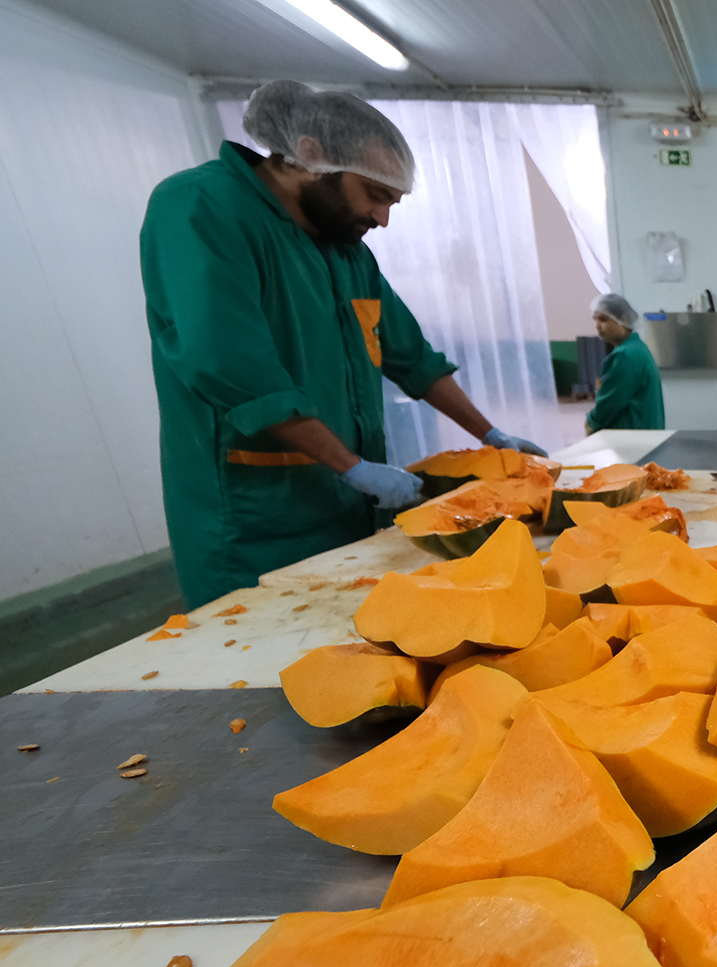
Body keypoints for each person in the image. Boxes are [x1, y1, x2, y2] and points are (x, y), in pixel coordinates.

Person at [140, 80, 546, 607]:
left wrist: (492, 434)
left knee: (354, 637)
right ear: (311, 156)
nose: (382, 218)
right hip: (254, 517)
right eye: (375, 194)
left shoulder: (347, 252)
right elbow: (231, 367)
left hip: (347, 506)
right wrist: (353, 466)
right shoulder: (202, 207)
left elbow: (412, 358)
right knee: (257, 644)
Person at [585, 293, 665, 433]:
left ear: (624, 320)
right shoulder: (638, 348)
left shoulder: (626, 356)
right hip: (645, 433)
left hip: (631, 436)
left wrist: (591, 423)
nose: (597, 326)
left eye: (603, 320)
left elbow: (609, 404)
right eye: (595, 320)